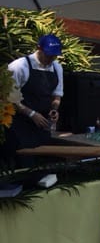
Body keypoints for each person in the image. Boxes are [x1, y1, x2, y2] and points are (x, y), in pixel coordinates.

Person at [5, 34, 64, 167]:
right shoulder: (19, 66)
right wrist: (31, 114)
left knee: (43, 163)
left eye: (54, 56)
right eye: (48, 55)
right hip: (19, 125)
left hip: (42, 125)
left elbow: (57, 95)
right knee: (24, 163)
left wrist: (54, 110)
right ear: (38, 48)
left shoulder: (57, 68)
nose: (51, 59)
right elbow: (8, 97)